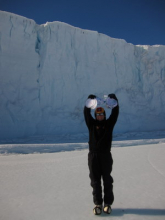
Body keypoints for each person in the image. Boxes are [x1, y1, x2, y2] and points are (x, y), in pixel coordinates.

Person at [83, 94, 119, 215]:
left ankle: (107, 204)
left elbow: (115, 113)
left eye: (101, 114)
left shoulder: (109, 125)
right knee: (95, 181)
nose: (99, 116)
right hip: (93, 156)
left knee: (107, 180)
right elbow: (86, 113)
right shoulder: (91, 125)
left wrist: (114, 100)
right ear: (96, 116)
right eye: (98, 114)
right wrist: (90, 100)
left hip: (105, 156)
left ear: (104, 115)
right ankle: (98, 203)